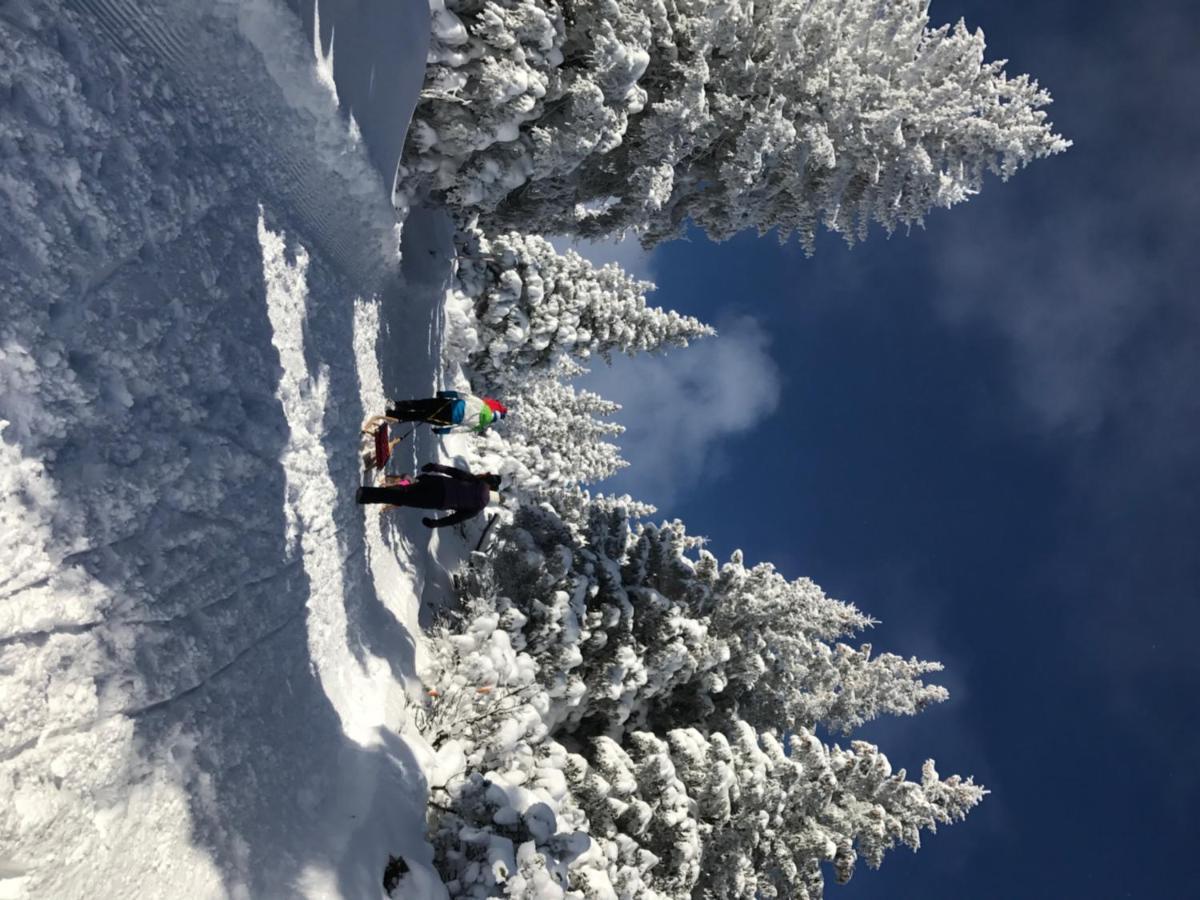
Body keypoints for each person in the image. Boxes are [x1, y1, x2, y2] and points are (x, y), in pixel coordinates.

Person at [355, 462, 501, 528]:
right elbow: (455, 518)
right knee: (402, 497)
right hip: (437, 500)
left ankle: (403, 482)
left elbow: (456, 472)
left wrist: (435, 467)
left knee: (406, 490)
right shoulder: (477, 508)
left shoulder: (478, 482)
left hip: (437, 483)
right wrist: (436, 523)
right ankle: (365, 495)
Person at [384, 390, 507, 435]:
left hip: (448, 404)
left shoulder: (481, 404)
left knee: (421, 404)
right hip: (447, 418)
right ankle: (394, 416)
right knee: (419, 416)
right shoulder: (478, 426)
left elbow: (463, 395)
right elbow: (458, 429)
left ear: (492, 411)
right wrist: (441, 431)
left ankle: (396, 405)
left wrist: (445, 394)